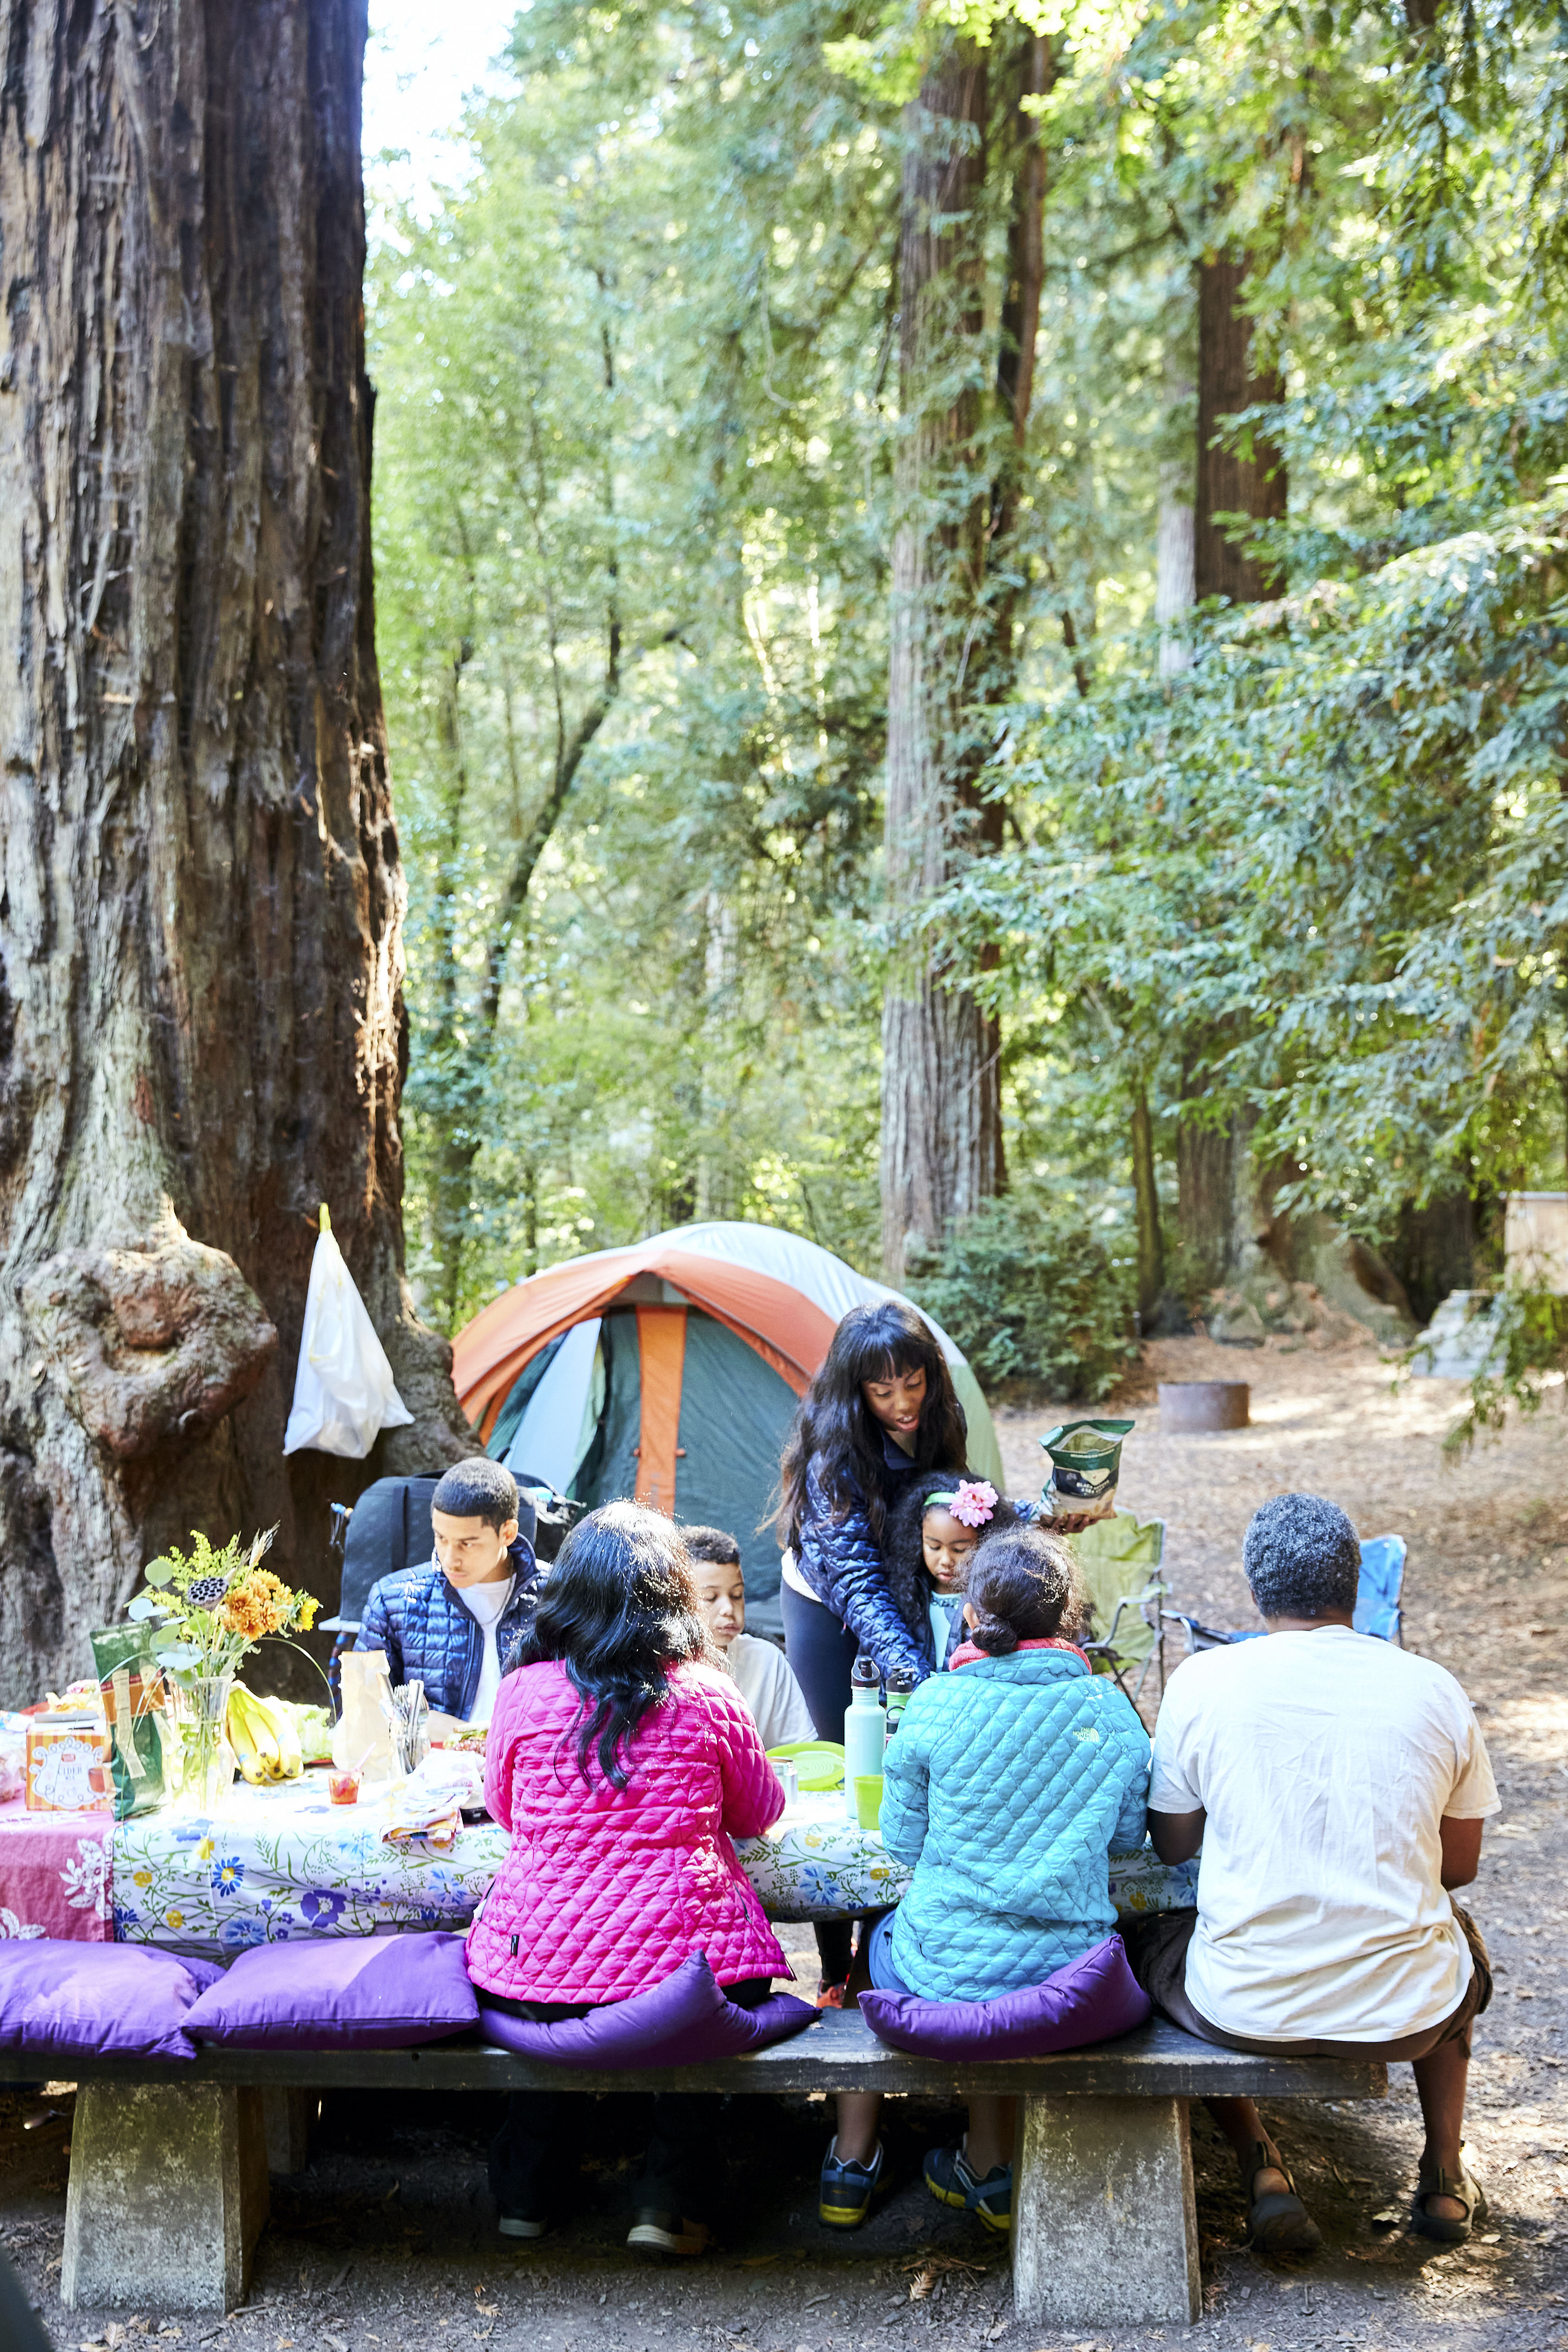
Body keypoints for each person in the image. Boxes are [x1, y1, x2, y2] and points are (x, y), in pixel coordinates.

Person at [1133, 1491, 1498, 2252]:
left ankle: (1260, 2161)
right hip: (1406, 2012)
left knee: (1163, 1940)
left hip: (1246, 2008)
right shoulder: (1433, 1687)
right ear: (1356, 1579)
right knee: (1458, 1941)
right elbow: (1458, 1866)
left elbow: (1171, 1847)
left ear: (1255, 1586)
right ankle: (1444, 2172)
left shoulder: (1204, 1684)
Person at [467, 1500, 790, 2257]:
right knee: (696, 2018)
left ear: (567, 1593)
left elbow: (502, 1809)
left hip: (533, 1955)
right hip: (690, 1964)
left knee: (550, 2004)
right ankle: (668, 2203)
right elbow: (759, 1811)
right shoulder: (709, 1692)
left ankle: (525, 2195)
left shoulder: (523, 1692)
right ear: (673, 1593)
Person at [820, 1522, 1151, 2235]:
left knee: (868, 1945)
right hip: (1073, 1979)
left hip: (940, 1968)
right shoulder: (1110, 1710)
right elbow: (1127, 1838)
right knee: (1010, 1966)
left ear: (970, 1615)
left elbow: (903, 1843)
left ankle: (850, 2160)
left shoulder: (935, 1704)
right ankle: (987, 2162)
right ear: (1069, 1618)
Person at [777, 1300, 969, 2000]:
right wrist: (912, 1673)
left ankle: (882, 1951)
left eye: (912, 1383)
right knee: (848, 1768)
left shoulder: (942, 1415)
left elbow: (957, 1503)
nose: (901, 1403)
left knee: (908, 1770)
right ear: (854, 1389)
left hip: (907, 1581)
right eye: (882, 1391)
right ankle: (834, 1969)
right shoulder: (834, 1450)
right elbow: (856, 1581)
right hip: (828, 1599)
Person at [356, 1457, 542, 1723]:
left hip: (527, 1763)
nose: (450, 1558)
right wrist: (426, 1728)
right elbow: (361, 1717)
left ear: (508, 1533)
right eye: (441, 1538)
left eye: (467, 1544)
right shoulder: (394, 1601)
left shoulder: (557, 1595)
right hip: (428, 1762)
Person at [685, 1524, 815, 1751]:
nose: (728, 1608)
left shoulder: (767, 1660)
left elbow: (802, 1751)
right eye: (710, 1597)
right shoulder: (663, 1671)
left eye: (737, 1595)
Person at [881, 1476, 1025, 1672]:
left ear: (985, 1544)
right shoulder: (906, 1595)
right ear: (917, 1539)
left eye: (959, 1550)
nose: (946, 1560)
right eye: (934, 1547)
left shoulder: (990, 1602)